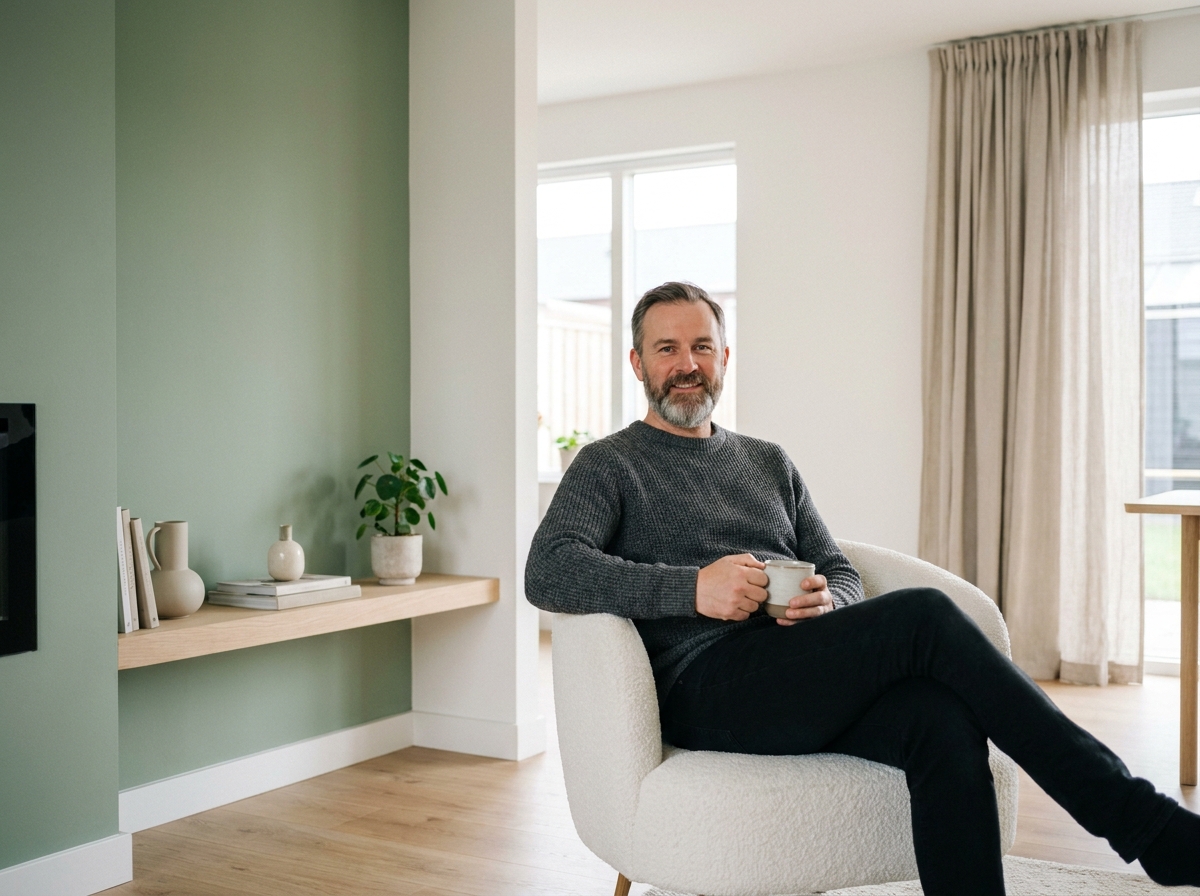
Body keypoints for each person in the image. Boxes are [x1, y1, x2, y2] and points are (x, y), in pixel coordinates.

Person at [525, 281, 1200, 895]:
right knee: (925, 617)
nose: (687, 363)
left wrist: (830, 600)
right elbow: (547, 567)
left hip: (797, 667)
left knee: (940, 719)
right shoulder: (609, 464)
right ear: (638, 364)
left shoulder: (767, 461)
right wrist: (691, 590)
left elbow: (836, 566)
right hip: (702, 684)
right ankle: (1150, 827)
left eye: (702, 345)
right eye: (667, 348)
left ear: (726, 358)